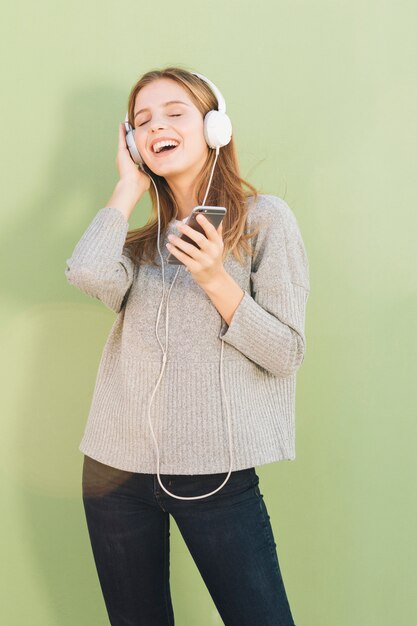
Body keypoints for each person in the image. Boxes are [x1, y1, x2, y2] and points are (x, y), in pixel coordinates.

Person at [65, 66, 310, 626]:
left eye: (175, 112)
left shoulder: (264, 221)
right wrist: (127, 187)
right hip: (114, 472)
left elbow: (286, 352)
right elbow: (85, 272)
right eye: (142, 121)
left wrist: (216, 280)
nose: (157, 126)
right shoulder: (139, 244)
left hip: (213, 473)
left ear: (215, 127)